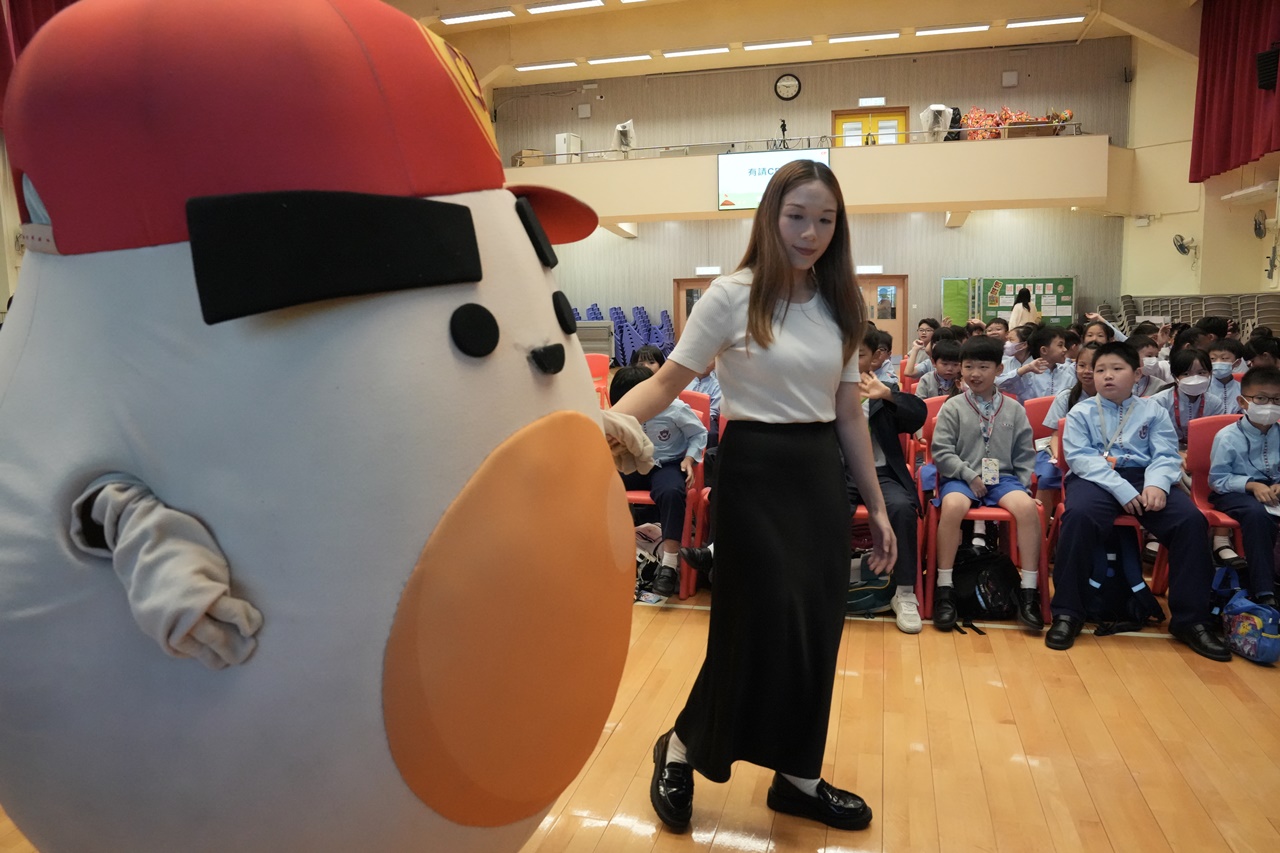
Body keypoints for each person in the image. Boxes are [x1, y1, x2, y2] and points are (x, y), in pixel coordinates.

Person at [606, 159, 891, 833]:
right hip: (754, 470)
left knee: (814, 626)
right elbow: (668, 380)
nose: (810, 232)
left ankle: (798, 776)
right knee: (752, 626)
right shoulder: (731, 295)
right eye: (797, 216)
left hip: (818, 474)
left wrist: (877, 506)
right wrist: (608, 423)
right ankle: (682, 745)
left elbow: (849, 413)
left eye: (825, 220)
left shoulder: (842, 301)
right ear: (770, 216)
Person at [1048, 341, 1230, 660]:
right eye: (1100, 370)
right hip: (1096, 478)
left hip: (1145, 477)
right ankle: (1067, 612)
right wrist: (1121, 489)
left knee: (1190, 521)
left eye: (1116, 369)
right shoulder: (1081, 411)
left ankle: (1191, 621)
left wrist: (1157, 484)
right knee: (1078, 517)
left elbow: (1166, 454)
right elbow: (1079, 458)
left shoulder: (1152, 410)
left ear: (1136, 374)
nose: (1107, 376)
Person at [930, 335, 1044, 631]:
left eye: (983, 367)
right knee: (952, 507)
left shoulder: (1014, 409)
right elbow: (941, 452)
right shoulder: (953, 407)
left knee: (1026, 509)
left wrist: (1023, 487)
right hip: (961, 477)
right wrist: (969, 475)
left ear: (999, 369)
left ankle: (1028, 591)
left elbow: (1024, 453)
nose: (975, 374)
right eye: (968, 366)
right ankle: (945, 588)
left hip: (1002, 478)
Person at [850, 330, 928, 634]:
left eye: (858, 355)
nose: (849, 360)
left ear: (875, 358)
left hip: (880, 473)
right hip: (839, 473)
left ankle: (905, 593)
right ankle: (822, 584)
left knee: (901, 507)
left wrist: (887, 396)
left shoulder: (884, 388)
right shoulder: (825, 390)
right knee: (821, 507)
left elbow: (917, 415)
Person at [611, 366, 707, 597]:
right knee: (602, 487)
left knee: (672, 492)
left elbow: (699, 434)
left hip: (667, 465)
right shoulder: (620, 414)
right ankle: (608, 552)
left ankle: (669, 565)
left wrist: (689, 458)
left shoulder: (675, 409)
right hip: (634, 464)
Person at [1208, 365, 1280, 608]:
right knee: (1257, 514)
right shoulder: (1227, 436)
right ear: (1243, 401)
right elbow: (1217, 480)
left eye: (1277, 400)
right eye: (1261, 398)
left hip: (1273, 489)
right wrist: (1251, 485)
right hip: (1233, 491)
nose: (1269, 405)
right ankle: (1264, 590)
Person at [1039, 342, 1100, 525]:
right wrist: (1058, 456)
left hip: (1094, 453)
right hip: (1060, 450)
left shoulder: (1112, 398)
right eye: (1082, 365)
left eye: (1093, 366)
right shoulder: (1066, 397)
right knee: (1046, 477)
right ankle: (1041, 529)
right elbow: (1056, 435)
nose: (1087, 371)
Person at [1151, 348, 1224, 447]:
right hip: (1167, 450)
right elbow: (1155, 437)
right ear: (1175, 377)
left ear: (1210, 373)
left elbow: (1215, 436)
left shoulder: (1215, 404)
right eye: (1186, 374)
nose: (1195, 378)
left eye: (1201, 373)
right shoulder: (1159, 402)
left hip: (1203, 450)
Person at [1002, 325, 1075, 403]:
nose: (1065, 349)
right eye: (1060, 345)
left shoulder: (1068, 372)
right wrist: (1024, 370)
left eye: (1064, 345)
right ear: (1044, 350)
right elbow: (999, 383)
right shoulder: (1028, 375)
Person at [1208, 338, 1244, 415]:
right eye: (1213, 359)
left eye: (1224, 358)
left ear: (1237, 362)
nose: (1218, 362)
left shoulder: (1243, 389)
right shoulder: (1203, 388)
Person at [685, 368, 722, 443]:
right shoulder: (685, 381)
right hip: (684, 416)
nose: (706, 364)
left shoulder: (717, 385)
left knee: (712, 434)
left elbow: (714, 410)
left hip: (707, 420)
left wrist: (699, 419)